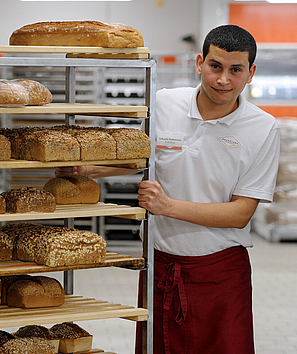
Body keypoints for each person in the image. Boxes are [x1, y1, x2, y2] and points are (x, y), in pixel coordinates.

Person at [57, 25, 280, 354]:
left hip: (220, 275)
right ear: (199, 62)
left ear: (251, 73)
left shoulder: (263, 128)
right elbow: (139, 159)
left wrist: (167, 206)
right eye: (215, 66)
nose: (222, 80)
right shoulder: (164, 103)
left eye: (236, 70)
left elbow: (240, 213)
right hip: (160, 267)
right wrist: (89, 169)